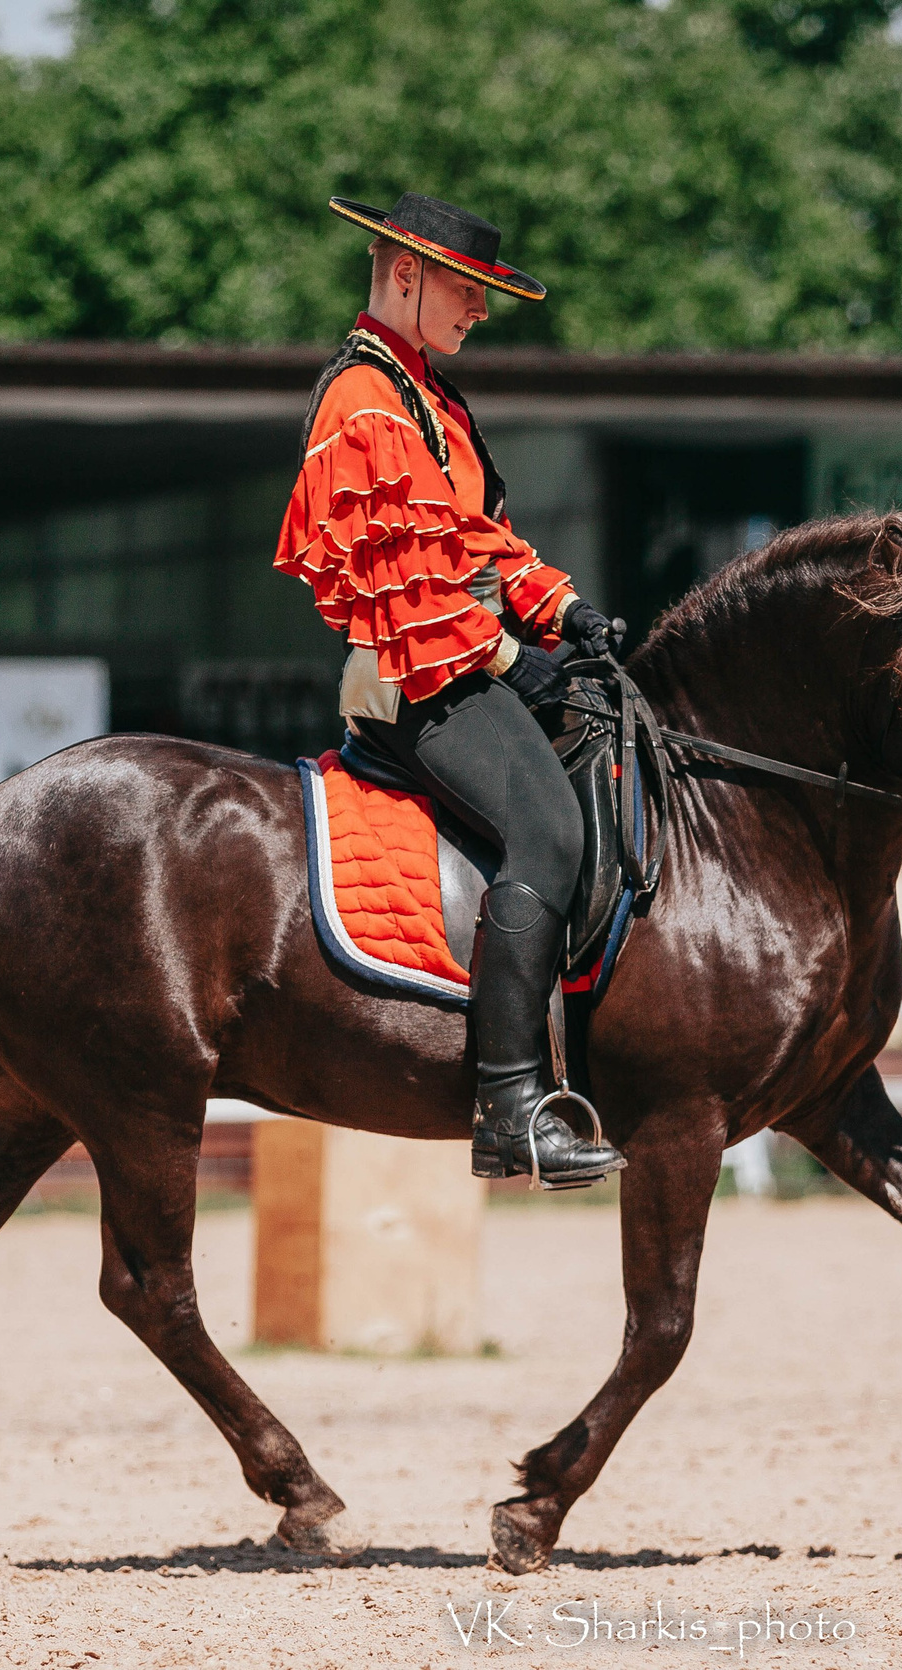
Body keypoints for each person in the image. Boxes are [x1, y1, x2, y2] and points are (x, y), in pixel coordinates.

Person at [274, 192, 623, 1188]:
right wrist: (517, 661)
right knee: (549, 833)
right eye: (467, 292)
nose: (477, 311)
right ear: (408, 274)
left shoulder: (426, 392)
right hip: (412, 676)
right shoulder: (366, 400)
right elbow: (403, 585)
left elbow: (475, 544)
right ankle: (511, 1106)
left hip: (461, 655)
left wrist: (563, 611)